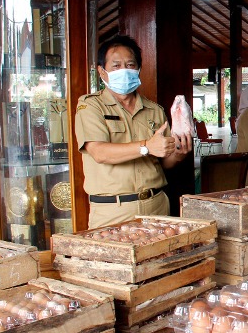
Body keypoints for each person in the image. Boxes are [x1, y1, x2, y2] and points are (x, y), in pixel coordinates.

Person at [75, 34, 193, 229]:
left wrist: (178, 155)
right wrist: (146, 146)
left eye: (130, 65)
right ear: (102, 72)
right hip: (113, 210)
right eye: (116, 65)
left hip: (156, 205)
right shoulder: (91, 106)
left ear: (138, 69)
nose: (124, 70)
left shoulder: (154, 110)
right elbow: (99, 152)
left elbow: (163, 162)